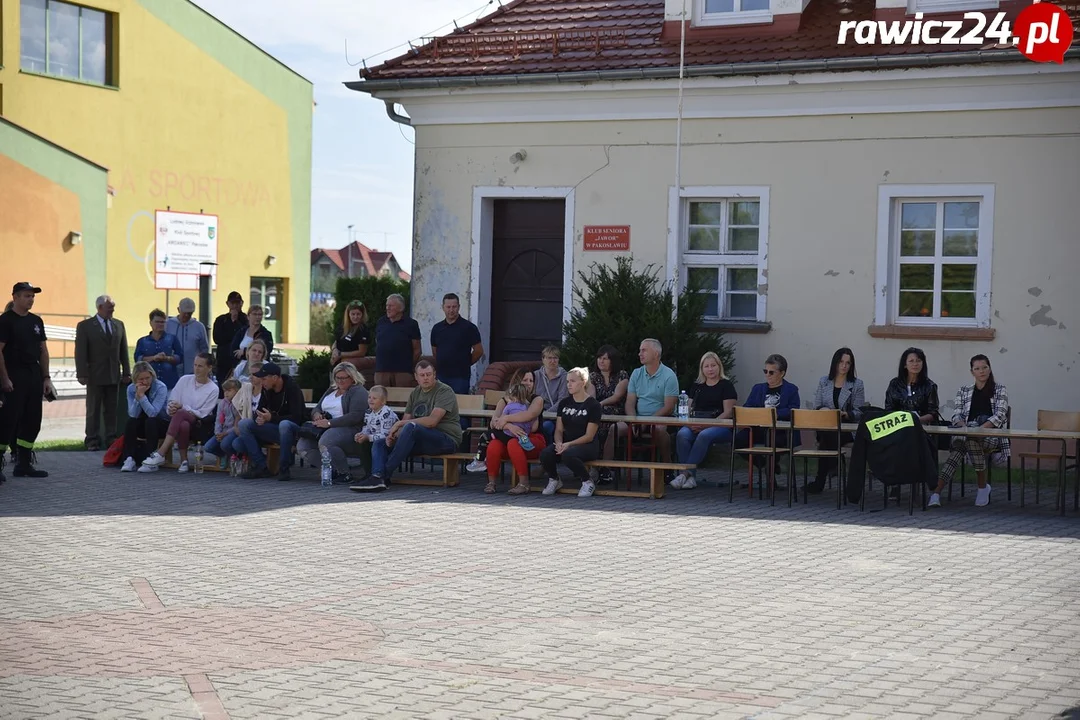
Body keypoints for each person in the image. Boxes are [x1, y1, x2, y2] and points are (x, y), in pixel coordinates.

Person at [355, 360, 461, 491]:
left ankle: (381, 476)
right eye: (422, 375)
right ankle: (377, 475)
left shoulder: (444, 391)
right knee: (380, 442)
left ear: (434, 374)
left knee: (411, 427)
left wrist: (399, 423)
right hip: (419, 440)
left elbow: (432, 421)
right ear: (416, 377)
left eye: (429, 374)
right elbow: (406, 420)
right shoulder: (415, 393)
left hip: (445, 440)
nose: (426, 378)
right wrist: (393, 436)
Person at [928, 355, 1010, 508]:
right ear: (972, 372)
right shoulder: (964, 390)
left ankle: (937, 492)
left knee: (966, 442)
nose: (981, 371)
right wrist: (963, 425)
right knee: (963, 446)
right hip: (966, 434)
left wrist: (979, 429)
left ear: (990, 368)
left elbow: (1000, 415)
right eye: (977, 369)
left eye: (984, 367)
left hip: (990, 435)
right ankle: (980, 487)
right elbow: (956, 414)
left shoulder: (1000, 389)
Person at [0, 282, 54, 481]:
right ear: (15, 297)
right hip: (13, 374)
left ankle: (24, 464)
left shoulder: (36, 321)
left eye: (32, 296)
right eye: (26, 296)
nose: (30, 299)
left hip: (33, 374)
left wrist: (46, 378)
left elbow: (43, 350)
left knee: (33, 420)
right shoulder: (5, 321)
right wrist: (4, 378)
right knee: (7, 421)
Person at [138, 353, 219, 473]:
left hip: (198, 424)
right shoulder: (184, 379)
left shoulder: (213, 388)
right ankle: (184, 461)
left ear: (209, 368)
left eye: (200, 366)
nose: (196, 368)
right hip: (179, 421)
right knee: (183, 424)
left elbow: (203, 413)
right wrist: (171, 408)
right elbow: (172, 399)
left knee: (181, 413)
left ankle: (160, 453)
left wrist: (183, 408)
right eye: (195, 365)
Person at [671, 351, 738, 490]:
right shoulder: (697, 387)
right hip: (696, 424)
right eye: (706, 366)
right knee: (682, 435)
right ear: (702, 369)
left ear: (719, 366)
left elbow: (728, 412)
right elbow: (687, 410)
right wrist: (690, 424)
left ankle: (684, 473)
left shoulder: (726, 385)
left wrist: (707, 425)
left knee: (704, 435)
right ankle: (691, 478)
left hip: (720, 426)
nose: (710, 369)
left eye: (713, 365)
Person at [734, 354, 801, 485]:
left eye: (771, 372)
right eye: (765, 371)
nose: (768, 375)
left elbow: (793, 410)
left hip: (781, 431)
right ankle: (764, 465)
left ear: (782, 373)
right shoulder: (758, 388)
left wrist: (776, 414)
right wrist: (756, 414)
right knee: (737, 440)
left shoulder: (791, 389)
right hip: (758, 428)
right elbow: (747, 407)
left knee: (771, 439)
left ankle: (770, 476)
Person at [296, 362, 369, 483]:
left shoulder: (358, 391)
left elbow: (355, 416)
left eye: (344, 378)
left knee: (327, 440)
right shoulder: (332, 389)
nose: (340, 381)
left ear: (352, 377)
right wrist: (317, 415)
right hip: (324, 428)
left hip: (350, 429)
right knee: (303, 446)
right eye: (337, 377)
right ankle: (331, 470)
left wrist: (330, 423)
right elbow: (317, 407)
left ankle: (344, 473)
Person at [75, 295, 131, 451]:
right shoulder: (85, 326)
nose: (112, 310)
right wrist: (82, 373)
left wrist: (126, 371)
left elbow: (123, 351)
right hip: (94, 375)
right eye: (109, 307)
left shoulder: (118, 325)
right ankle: (92, 439)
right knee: (93, 409)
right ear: (99, 308)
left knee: (111, 409)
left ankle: (111, 438)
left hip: (113, 374)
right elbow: (80, 352)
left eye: (113, 307)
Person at [808, 347, 867, 494]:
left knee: (828, 438)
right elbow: (817, 405)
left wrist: (845, 414)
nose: (844, 366)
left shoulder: (857, 384)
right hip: (826, 425)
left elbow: (860, 412)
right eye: (841, 362)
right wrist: (824, 411)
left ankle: (820, 480)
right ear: (835, 363)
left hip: (847, 428)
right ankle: (833, 464)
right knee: (828, 433)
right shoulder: (824, 381)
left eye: (848, 363)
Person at [540, 367, 603, 498]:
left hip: (587, 445)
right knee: (546, 453)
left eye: (573, 381)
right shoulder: (564, 403)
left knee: (568, 455)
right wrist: (558, 443)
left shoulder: (593, 405)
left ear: (583, 382)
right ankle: (554, 479)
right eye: (568, 381)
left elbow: (589, 436)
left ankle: (587, 481)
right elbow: (558, 429)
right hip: (566, 443)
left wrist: (568, 444)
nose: (569, 384)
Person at [236, 362, 305, 481]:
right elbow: (259, 411)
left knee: (284, 425)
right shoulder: (266, 389)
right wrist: (260, 418)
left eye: (264, 379)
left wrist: (271, 418)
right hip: (273, 429)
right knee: (244, 424)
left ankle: (284, 469)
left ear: (275, 378)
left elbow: (297, 417)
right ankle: (261, 467)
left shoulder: (292, 388)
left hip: (291, 431)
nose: (261, 382)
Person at [484, 377, 547, 495]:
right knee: (494, 444)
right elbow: (494, 422)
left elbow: (530, 420)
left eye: (531, 380)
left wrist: (506, 419)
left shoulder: (536, 400)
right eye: (524, 380)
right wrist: (509, 426)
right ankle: (491, 483)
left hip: (531, 439)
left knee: (514, 443)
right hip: (509, 438)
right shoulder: (504, 401)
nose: (528, 383)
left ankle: (524, 483)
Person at [624, 338, 679, 463]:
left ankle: (667, 467)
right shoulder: (636, 373)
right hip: (637, 419)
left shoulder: (669, 376)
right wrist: (633, 421)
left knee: (659, 430)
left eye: (644, 350)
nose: (640, 354)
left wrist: (647, 421)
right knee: (614, 429)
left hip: (662, 419)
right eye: (639, 350)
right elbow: (630, 402)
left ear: (656, 354)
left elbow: (669, 407)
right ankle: (605, 471)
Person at [587, 345, 629, 485]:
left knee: (609, 429)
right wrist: (596, 406)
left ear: (613, 360)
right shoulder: (592, 376)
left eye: (605, 358)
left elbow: (617, 396)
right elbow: (591, 396)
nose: (601, 361)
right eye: (599, 358)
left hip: (618, 415)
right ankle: (593, 466)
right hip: (599, 415)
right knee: (593, 427)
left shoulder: (622, 375)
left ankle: (604, 467)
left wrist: (599, 405)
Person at [430, 293, 483, 397]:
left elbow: (479, 351)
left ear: (459, 307)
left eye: (454, 307)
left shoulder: (469, 328)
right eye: (448, 307)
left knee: (459, 407)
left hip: (460, 377)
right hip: (441, 376)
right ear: (443, 308)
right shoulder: (437, 328)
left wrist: (465, 363)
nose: (451, 310)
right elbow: (435, 351)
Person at [120, 362, 170, 471]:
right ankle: (129, 459)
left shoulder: (160, 387)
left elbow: (153, 413)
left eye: (148, 378)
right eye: (141, 379)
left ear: (152, 375)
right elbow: (133, 414)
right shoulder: (131, 389)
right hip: (142, 423)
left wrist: (142, 397)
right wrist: (137, 396)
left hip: (161, 423)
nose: (145, 381)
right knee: (131, 422)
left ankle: (150, 459)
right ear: (135, 379)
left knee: (150, 421)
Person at [352, 385, 400, 478]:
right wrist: (361, 435)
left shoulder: (386, 414)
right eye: (369, 397)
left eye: (374, 398)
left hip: (390, 441)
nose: (371, 400)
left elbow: (385, 435)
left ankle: (379, 475)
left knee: (375, 443)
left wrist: (368, 437)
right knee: (362, 444)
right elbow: (366, 427)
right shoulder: (369, 412)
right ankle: (368, 474)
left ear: (383, 401)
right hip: (375, 438)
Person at [374, 293, 421, 388]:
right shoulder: (381, 322)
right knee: (380, 400)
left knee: (402, 400)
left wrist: (407, 364)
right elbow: (378, 342)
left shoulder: (411, 324)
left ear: (401, 308)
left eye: (391, 306)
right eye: (387, 305)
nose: (388, 308)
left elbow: (417, 349)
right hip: (381, 371)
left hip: (402, 373)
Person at [884, 347, 939, 425]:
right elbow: (889, 409)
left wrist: (916, 421)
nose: (915, 364)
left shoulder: (929, 386)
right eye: (911, 361)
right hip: (898, 426)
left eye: (918, 361)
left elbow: (933, 413)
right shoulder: (895, 384)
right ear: (905, 365)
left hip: (922, 428)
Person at [134, 309, 183, 390]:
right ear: (150, 323)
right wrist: (153, 358)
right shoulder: (142, 341)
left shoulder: (172, 339)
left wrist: (166, 358)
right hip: (149, 385)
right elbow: (138, 359)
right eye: (157, 322)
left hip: (169, 383)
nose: (160, 324)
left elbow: (180, 358)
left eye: (162, 322)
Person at [203, 378, 243, 468]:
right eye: (225, 391)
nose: (226, 393)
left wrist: (225, 433)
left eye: (229, 390)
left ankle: (236, 456)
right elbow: (218, 420)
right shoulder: (222, 403)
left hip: (233, 431)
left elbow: (238, 424)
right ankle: (224, 455)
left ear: (238, 391)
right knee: (208, 447)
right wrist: (218, 433)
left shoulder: (240, 403)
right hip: (222, 431)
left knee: (225, 444)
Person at [534, 345, 569, 443]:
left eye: (555, 358)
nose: (552, 361)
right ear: (543, 359)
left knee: (546, 427)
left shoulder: (564, 377)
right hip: (535, 413)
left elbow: (562, 400)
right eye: (549, 358)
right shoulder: (535, 375)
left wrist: (546, 414)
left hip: (554, 415)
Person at [166, 298, 209, 377]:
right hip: (171, 369)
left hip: (193, 371)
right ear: (178, 310)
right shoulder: (168, 324)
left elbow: (204, 349)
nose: (187, 315)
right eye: (184, 313)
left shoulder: (199, 327)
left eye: (189, 313)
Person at [213, 291, 247, 384]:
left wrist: (236, 322)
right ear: (228, 304)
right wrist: (231, 323)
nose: (235, 306)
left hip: (240, 361)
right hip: (224, 360)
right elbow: (217, 339)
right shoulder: (221, 320)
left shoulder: (246, 320)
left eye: (237, 303)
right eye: (233, 303)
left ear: (242, 303)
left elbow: (244, 336)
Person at [330, 300, 369, 366]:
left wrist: (340, 354)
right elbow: (336, 342)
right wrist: (334, 351)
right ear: (348, 314)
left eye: (358, 314)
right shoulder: (343, 327)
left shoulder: (363, 330)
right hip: (337, 364)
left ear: (362, 315)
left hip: (351, 366)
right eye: (353, 314)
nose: (355, 317)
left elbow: (361, 352)